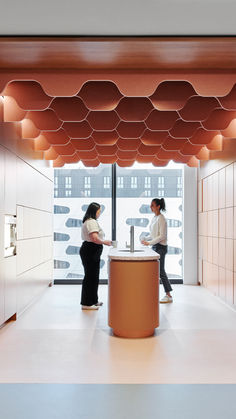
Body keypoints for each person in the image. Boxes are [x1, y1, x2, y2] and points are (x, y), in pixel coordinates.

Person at [80, 202, 112, 310]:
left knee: (94, 277)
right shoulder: (91, 222)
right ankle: (87, 303)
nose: (99, 213)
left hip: (91, 251)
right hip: (90, 251)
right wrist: (105, 242)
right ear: (94, 211)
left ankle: (93, 300)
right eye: (99, 211)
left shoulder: (91, 221)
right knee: (90, 277)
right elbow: (94, 238)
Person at [141, 198, 173, 304]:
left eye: (152, 205)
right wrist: (146, 239)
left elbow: (162, 236)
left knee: (161, 271)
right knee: (155, 271)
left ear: (158, 206)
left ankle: (168, 295)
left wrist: (149, 243)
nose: (151, 207)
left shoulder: (161, 218)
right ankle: (152, 292)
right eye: (150, 205)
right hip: (155, 247)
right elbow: (154, 235)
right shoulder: (154, 218)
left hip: (161, 247)